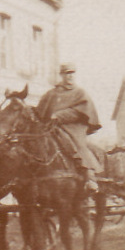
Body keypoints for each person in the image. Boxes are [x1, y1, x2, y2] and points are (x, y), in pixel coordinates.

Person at [35, 62, 102, 193]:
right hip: (51, 127)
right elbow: (40, 111)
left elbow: (80, 112)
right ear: (61, 75)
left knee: (76, 144)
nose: (70, 76)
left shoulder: (80, 93)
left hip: (73, 126)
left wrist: (59, 116)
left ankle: (90, 177)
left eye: (72, 73)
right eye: (67, 73)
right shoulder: (52, 93)